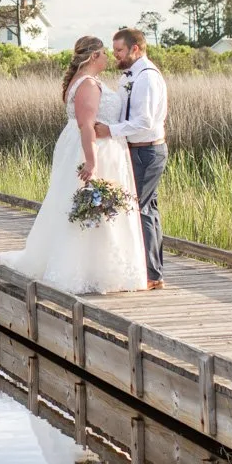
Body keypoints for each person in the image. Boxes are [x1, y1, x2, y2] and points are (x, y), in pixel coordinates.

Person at [0, 35, 146, 294]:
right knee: (89, 206)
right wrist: (91, 161)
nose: (109, 57)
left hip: (93, 147)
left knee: (87, 207)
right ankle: (84, 269)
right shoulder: (87, 83)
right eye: (104, 53)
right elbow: (86, 125)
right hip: (94, 149)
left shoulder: (84, 81)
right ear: (93, 56)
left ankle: (96, 267)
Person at [95, 28, 169, 290]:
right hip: (136, 150)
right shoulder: (131, 76)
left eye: (119, 51)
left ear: (135, 49)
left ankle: (151, 275)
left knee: (142, 210)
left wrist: (110, 131)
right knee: (148, 209)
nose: (116, 56)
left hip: (148, 150)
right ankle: (153, 272)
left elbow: (145, 120)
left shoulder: (147, 78)